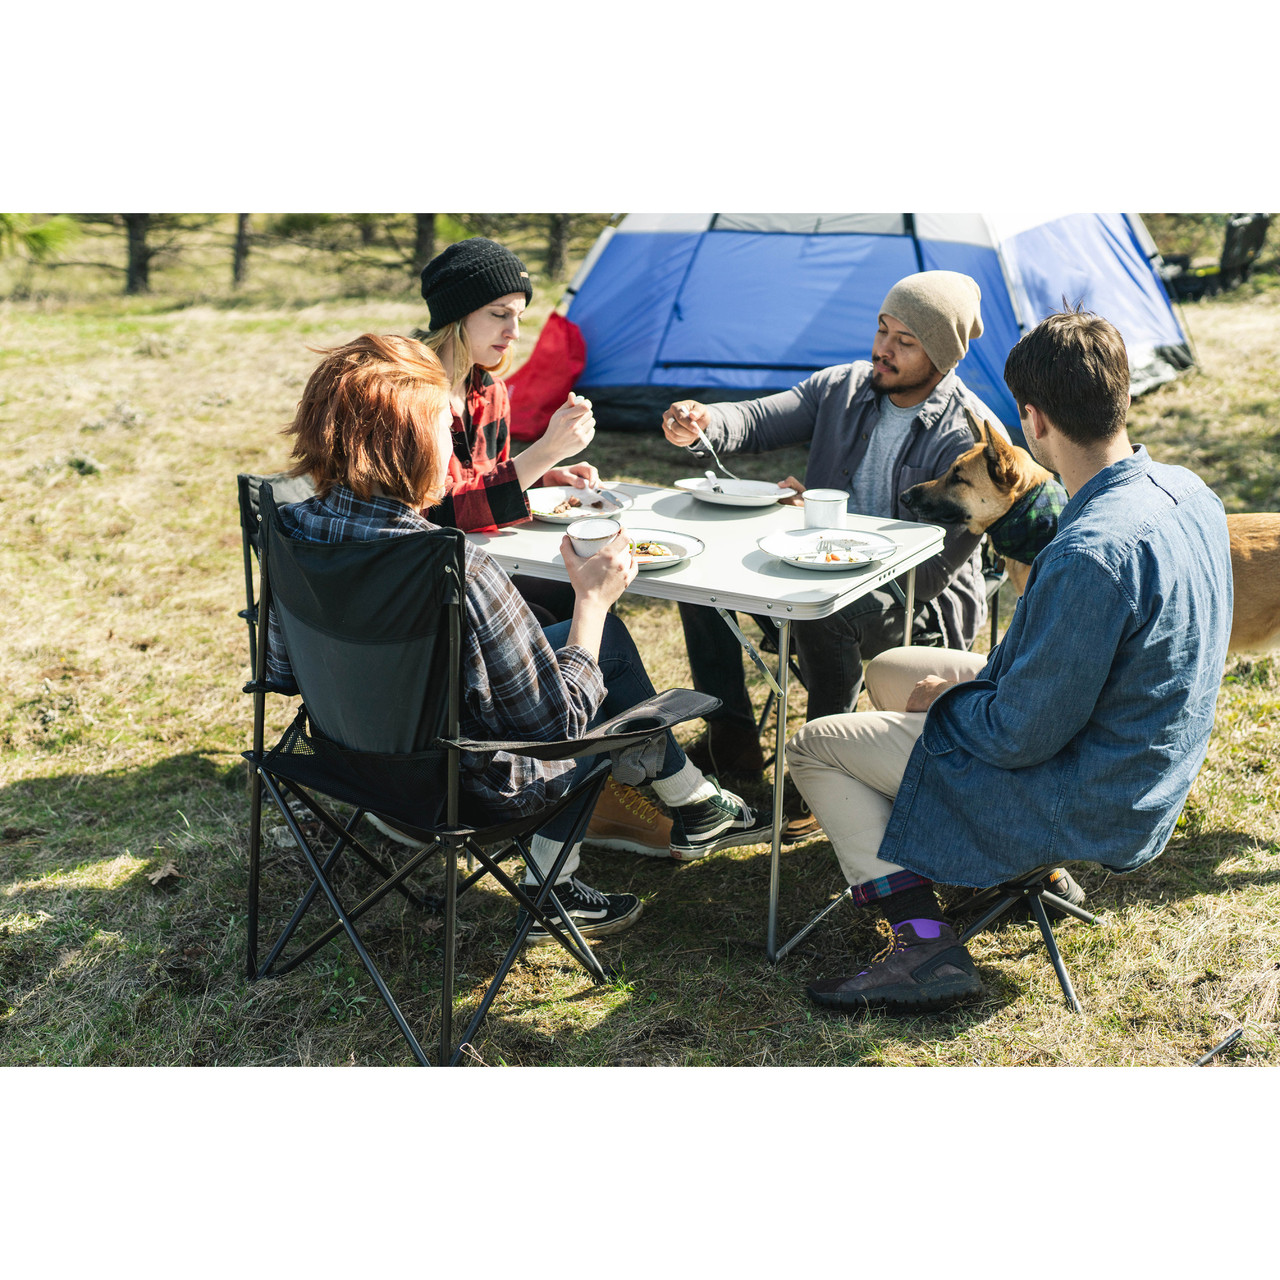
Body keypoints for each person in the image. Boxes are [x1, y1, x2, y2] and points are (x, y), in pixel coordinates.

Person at [786, 308, 1233, 1012]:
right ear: (1121, 394)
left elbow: (1019, 734)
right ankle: (993, 868)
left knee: (814, 746)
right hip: (1138, 750)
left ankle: (925, 943)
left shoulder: (1092, 553)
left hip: (1093, 789)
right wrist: (953, 690)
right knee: (891, 670)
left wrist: (951, 704)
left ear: (1033, 420)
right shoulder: (1187, 489)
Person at [266, 334, 771, 943]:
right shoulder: (457, 568)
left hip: (345, 764)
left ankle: (689, 804)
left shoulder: (291, 533)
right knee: (597, 650)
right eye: (440, 428)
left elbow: (281, 670)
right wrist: (592, 601)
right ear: (404, 442)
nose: (449, 444)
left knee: (601, 648)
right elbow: (555, 727)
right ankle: (563, 876)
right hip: (462, 786)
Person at [659, 271, 1001, 839]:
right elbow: (761, 419)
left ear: (942, 355)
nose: (882, 350)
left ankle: (822, 769)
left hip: (912, 601)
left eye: (905, 341)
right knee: (701, 585)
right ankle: (733, 740)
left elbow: (935, 560)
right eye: (882, 329)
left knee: (828, 615)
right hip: (809, 570)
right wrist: (705, 422)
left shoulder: (966, 436)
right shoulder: (842, 386)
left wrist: (826, 531)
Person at [415, 235, 670, 856]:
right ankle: (660, 784)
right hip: (430, 600)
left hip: (471, 575)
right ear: (457, 316)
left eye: (519, 316)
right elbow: (436, 512)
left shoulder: (487, 391)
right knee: (595, 626)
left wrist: (541, 474)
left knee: (559, 595)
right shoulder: (412, 393)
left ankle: (616, 777)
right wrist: (544, 453)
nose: (512, 332)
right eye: (498, 314)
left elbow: (481, 484)